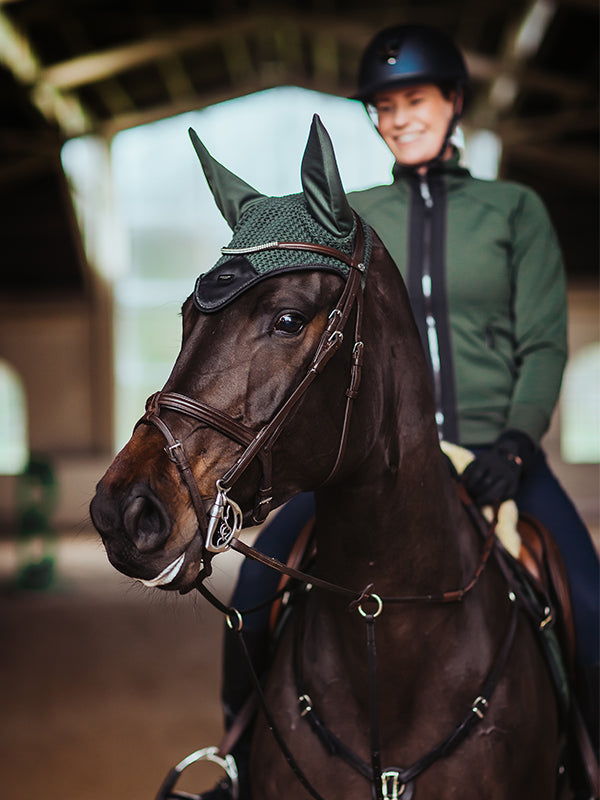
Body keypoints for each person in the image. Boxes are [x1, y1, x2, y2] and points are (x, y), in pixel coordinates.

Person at [196, 24, 599, 800]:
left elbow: (544, 343)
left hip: (497, 455)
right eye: (384, 105)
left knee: (589, 598)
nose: (400, 116)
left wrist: (516, 444)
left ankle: (586, 766)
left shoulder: (513, 211)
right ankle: (236, 763)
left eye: (415, 98)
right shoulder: (349, 218)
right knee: (250, 595)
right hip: (371, 462)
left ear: (453, 103)